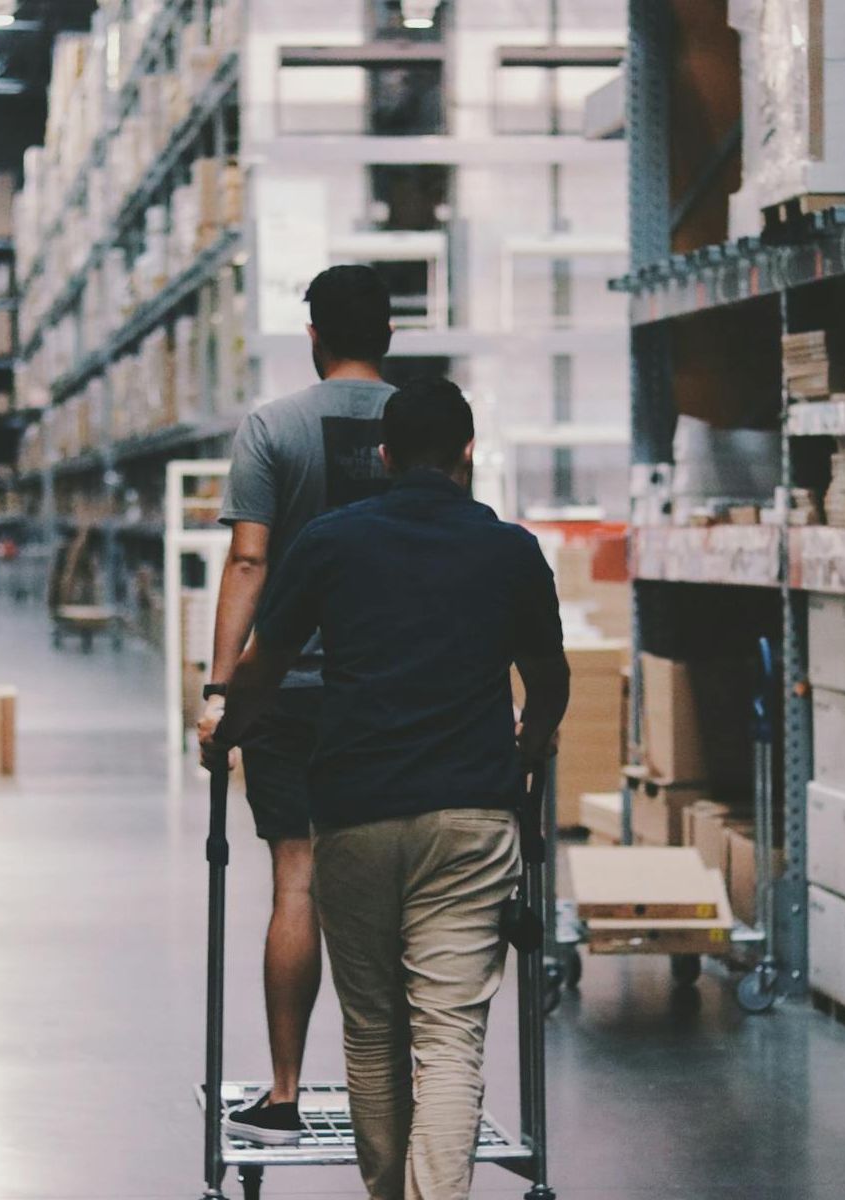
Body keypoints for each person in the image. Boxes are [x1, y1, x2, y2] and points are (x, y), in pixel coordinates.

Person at [204, 379, 571, 1199]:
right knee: (450, 1039)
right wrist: (526, 746)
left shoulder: (330, 543)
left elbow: (263, 667)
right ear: (468, 451)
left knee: (373, 1034)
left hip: (355, 812)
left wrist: (226, 727)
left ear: (384, 455)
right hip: (473, 816)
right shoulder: (511, 550)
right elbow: (549, 683)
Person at [196, 264, 399, 1145]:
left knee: (297, 879)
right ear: (389, 334)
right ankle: (393, 1090)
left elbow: (249, 560)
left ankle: (283, 1097)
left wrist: (220, 691)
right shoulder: (424, 423)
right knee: (392, 884)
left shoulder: (272, 427)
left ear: (312, 335)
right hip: (391, 694)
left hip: (289, 692)